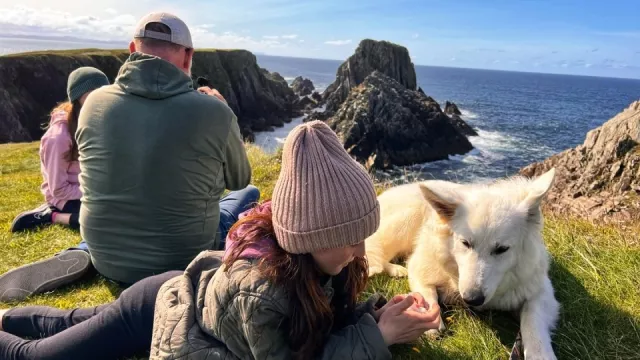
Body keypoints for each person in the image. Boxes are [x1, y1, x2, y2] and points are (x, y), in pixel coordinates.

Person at [0, 121, 441, 360]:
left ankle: (9, 315)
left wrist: (378, 314)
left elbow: (322, 319)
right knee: (34, 355)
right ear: (307, 237)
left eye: (362, 235)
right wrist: (377, 339)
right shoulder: (260, 290)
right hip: (155, 311)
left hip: (185, 293)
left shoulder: (324, 260)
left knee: (69, 321)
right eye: (348, 239)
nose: (361, 251)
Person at [0, 12, 258, 302]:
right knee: (249, 192)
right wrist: (227, 116)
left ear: (132, 50)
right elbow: (238, 179)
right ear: (188, 57)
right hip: (181, 258)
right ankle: (88, 248)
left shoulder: (93, 104)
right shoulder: (214, 113)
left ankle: (82, 250)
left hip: (106, 254)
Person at [10, 67, 110, 232]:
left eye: (104, 92)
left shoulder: (98, 122)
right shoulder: (59, 138)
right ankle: (52, 216)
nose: (99, 99)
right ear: (77, 97)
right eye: (92, 93)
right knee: (104, 220)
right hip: (65, 198)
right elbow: (59, 190)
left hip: (91, 188)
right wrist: (98, 191)